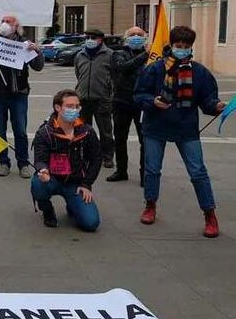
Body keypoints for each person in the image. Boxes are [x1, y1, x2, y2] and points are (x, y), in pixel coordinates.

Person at [134, 26, 226, 238]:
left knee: (198, 172)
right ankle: (150, 205)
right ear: (171, 45)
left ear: (191, 47)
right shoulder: (155, 69)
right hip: (155, 126)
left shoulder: (199, 72)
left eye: (186, 46)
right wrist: (153, 101)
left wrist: (216, 105)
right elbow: (139, 94)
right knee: (152, 170)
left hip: (186, 127)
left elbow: (207, 99)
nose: (182, 49)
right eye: (178, 45)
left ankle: (210, 214)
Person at [0, 15, 44, 178]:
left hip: (18, 94)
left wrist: (37, 51)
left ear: (16, 26)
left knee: (20, 131)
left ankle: (23, 163)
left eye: (8, 22)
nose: (4, 24)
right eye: (2, 22)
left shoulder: (24, 44)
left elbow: (38, 67)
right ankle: (3, 162)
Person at [31, 89, 102, 232]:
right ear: (58, 107)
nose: (74, 110)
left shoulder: (87, 131)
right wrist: (43, 170)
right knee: (38, 183)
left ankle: (73, 205)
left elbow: (96, 159)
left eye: (77, 106)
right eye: (69, 106)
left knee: (91, 223)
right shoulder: (44, 132)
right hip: (52, 179)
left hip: (75, 183)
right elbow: (39, 159)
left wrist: (86, 184)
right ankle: (46, 209)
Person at [108, 27, 148, 185]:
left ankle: (145, 173)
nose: (136, 37)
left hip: (142, 103)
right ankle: (121, 170)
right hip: (122, 101)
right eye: (132, 35)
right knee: (120, 138)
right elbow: (123, 68)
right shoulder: (118, 54)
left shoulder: (152, 56)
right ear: (126, 38)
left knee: (145, 139)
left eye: (139, 35)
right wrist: (145, 55)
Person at [74, 29, 115, 169]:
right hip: (83, 99)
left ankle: (107, 156)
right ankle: (87, 156)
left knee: (105, 131)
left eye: (93, 37)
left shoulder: (109, 55)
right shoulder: (80, 55)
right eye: (87, 37)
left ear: (100, 40)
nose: (89, 40)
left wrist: (109, 93)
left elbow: (114, 76)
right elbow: (78, 74)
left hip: (102, 99)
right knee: (83, 130)